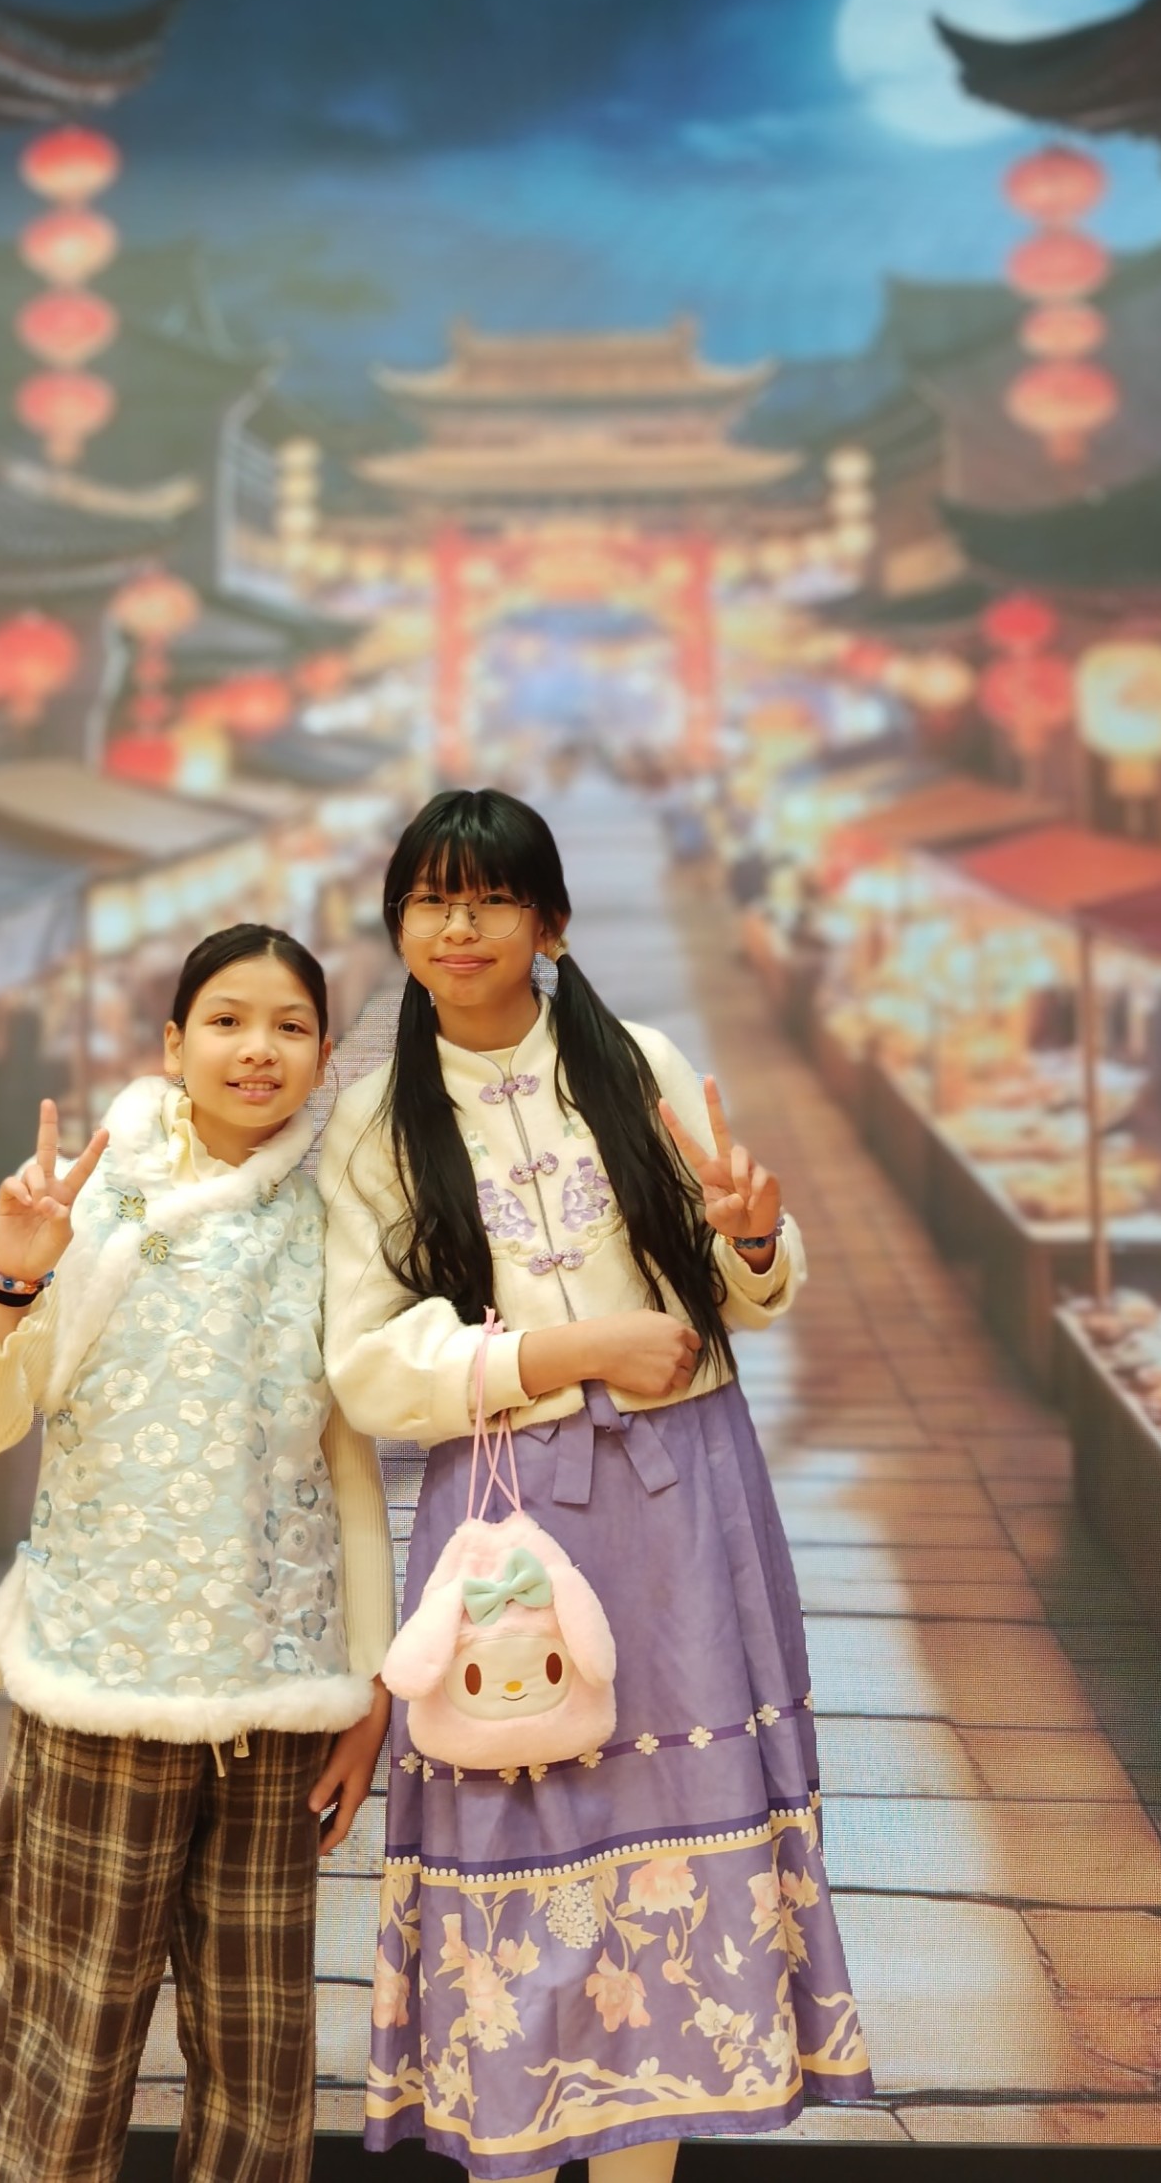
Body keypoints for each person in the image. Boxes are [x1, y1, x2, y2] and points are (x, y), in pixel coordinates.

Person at [318, 791, 871, 2183]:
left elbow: (744, 1286)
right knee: (518, 1833)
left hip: (684, 1499)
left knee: (671, 1849)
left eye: (491, 898)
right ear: (399, 924)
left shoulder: (640, 1063)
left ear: (550, 925)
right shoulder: (374, 1122)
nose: (458, 925)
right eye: (430, 899)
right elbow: (368, 1368)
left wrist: (754, 1242)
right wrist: (568, 1352)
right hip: (501, 1511)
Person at [0, 924, 395, 2183]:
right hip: (107, 1686)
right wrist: (10, 1281)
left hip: (276, 1696)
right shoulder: (91, 1198)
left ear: (325, 1055)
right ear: (173, 1042)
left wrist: (371, 1689)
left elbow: (349, 1466)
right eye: (228, 1020)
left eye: (290, 1026)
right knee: (63, 2043)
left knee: (261, 2067)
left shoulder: (337, 1214)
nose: (259, 1049)